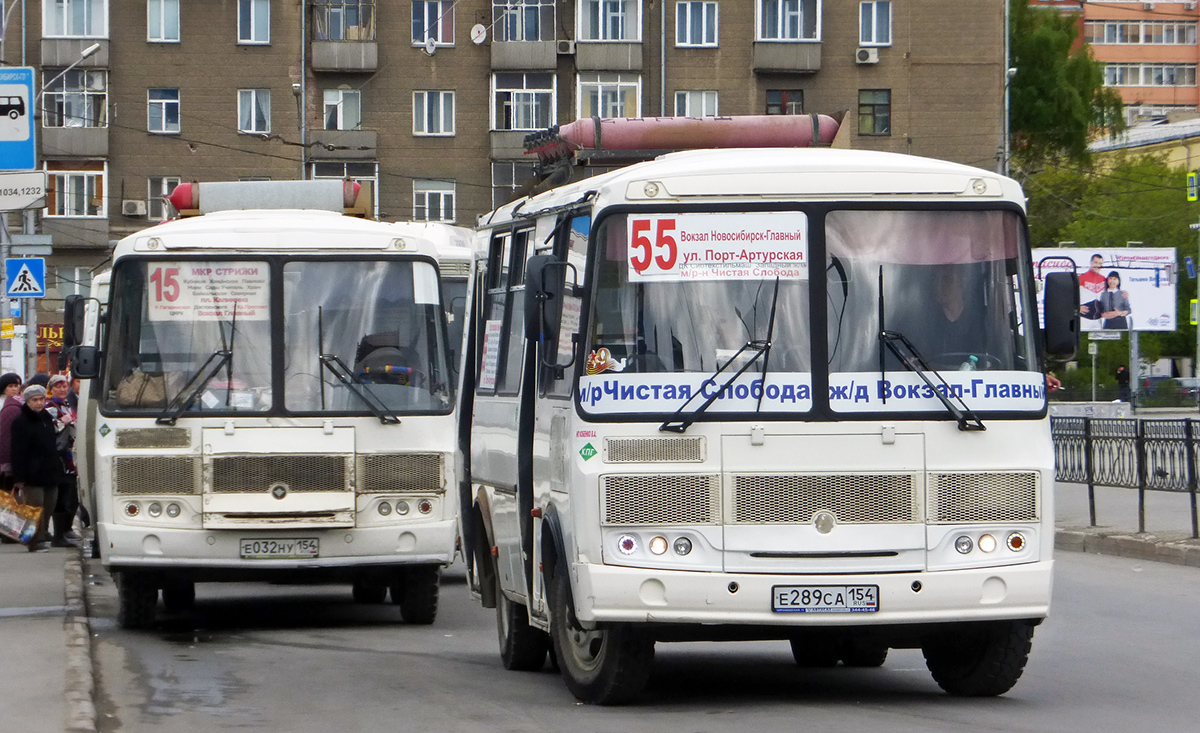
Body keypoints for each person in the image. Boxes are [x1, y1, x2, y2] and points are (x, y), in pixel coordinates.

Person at [10, 384, 66, 553]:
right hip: (31, 474)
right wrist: (19, 478)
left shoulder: (46, 418)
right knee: (35, 509)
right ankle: (35, 541)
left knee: (49, 506)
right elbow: (17, 451)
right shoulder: (20, 422)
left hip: (50, 472)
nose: (39, 403)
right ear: (27, 401)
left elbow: (52, 444)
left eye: (41, 399)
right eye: (35, 400)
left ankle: (42, 535)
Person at [46, 374, 80, 547]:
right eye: (57, 387)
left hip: (70, 457)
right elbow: (48, 430)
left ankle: (67, 530)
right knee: (63, 496)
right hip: (59, 457)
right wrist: (61, 422)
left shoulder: (66, 404)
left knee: (72, 496)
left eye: (64, 386)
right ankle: (59, 535)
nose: (62, 389)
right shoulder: (49, 406)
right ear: (51, 389)